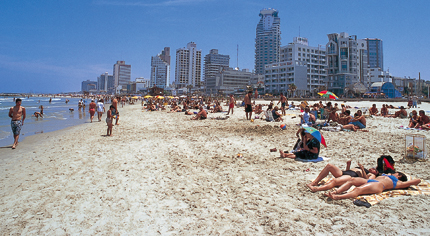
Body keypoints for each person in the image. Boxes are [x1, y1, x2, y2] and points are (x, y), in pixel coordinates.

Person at [325, 172, 420, 200]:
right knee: (351, 180)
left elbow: (417, 180)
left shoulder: (399, 183)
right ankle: (335, 192)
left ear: (399, 176)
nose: (393, 173)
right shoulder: (387, 175)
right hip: (370, 180)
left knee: (358, 190)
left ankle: (338, 197)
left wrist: (407, 178)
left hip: (378, 185)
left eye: (395, 173)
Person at [307, 161, 379, 192]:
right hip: (344, 172)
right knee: (329, 166)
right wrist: (348, 166)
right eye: (373, 168)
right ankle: (315, 182)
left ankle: (317, 189)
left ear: (376, 173)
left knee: (334, 181)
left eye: (375, 170)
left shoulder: (372, 175)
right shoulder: (364, 169)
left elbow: (366, 180)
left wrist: (362, 169)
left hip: (350, 177)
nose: (372, 169)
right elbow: (349, 170)